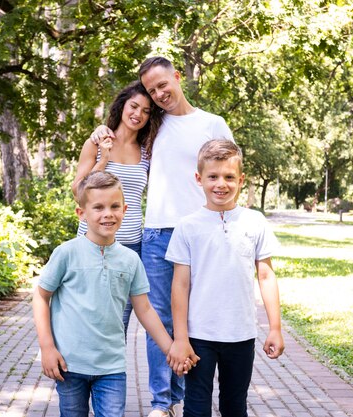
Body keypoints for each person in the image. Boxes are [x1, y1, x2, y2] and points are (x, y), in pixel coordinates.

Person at [90, 56, 233, 417]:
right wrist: (99, 135)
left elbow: (228, 174)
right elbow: (120, 134)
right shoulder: (154, 125)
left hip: (202, 232)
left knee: (196, 318)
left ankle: (187, 395)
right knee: (161, 319)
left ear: (177, 77)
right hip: (157, 233)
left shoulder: (212, 124)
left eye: (162, 85)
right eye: (152, 91)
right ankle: (162, 402)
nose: (159, 94)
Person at [32, 171, 196, 417]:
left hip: (112, 367)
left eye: (114, 206)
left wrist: (170, 348)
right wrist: (47, 347)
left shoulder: (130, 260)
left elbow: (145, 309)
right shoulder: (66, 253)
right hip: (69, 365)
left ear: (125, 209)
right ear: (82, 213)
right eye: (98, 207)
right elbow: (41, 296)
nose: (107, 213)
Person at [166, 139, 285, 417]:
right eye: (213, 176)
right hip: (199, 336)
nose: (221, 184)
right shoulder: (187, 226)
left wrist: (275, 328)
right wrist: (180, 338)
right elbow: (180, 286)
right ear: (199, 178)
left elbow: (266, 276)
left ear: (241, 180)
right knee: (196, 406)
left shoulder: (254, 222)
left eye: (229, 177)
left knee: (235, 405)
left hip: (241, 334)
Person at [72, 81, 162, 335]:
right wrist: (104, 159)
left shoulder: (147, 151)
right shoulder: (97, 141)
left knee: (118, 322)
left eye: (146, 111)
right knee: (86, 313)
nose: (138, 114)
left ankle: (111, 373)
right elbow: (79, 191)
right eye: (134, 106)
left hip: (131, 245)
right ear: (123, 105)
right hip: (92, 243)